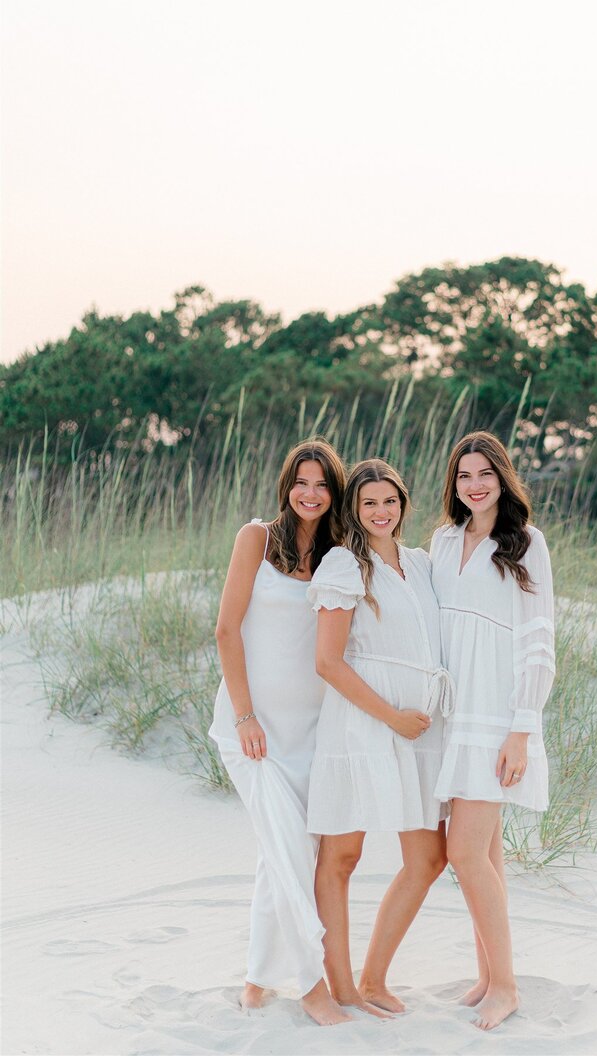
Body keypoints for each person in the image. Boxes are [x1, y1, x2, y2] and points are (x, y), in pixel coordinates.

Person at [209, 437, 349, 1027]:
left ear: (334, 493)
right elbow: (226, 630)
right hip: (254, 732)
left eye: (321, 485)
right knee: (289, 855)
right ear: (286, 485)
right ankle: (312, 987)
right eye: (301, 482)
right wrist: (245, 716)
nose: (310, 494)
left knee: (285, 853)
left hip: (313, 733)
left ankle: (256, 980)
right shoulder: (256, 539)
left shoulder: (341, 555)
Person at [306, 459, 454, 1015]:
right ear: (354, 509)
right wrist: (391, 716)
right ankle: (342, 987)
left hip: (421, 731)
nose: (380, 511)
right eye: (369, 502)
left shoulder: (420, 563)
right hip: (364, 722)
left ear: (403, 503)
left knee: (429, 857)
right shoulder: (345, 565)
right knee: (343, 854)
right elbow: (327, 661)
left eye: (389, 501)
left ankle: (373, 979)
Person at [430, 431, 555, 1031]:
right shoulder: (442, 541)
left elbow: (538, 641)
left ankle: (506, 986)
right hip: (451, 718)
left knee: (463, 853)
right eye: (464, 475)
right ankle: (487, 975)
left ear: (503, 478)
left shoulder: (526, 543)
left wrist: (521, 729)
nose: (474, 485)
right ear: (453, 484)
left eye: (485, 473)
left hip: (494, 718)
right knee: (486, 854)